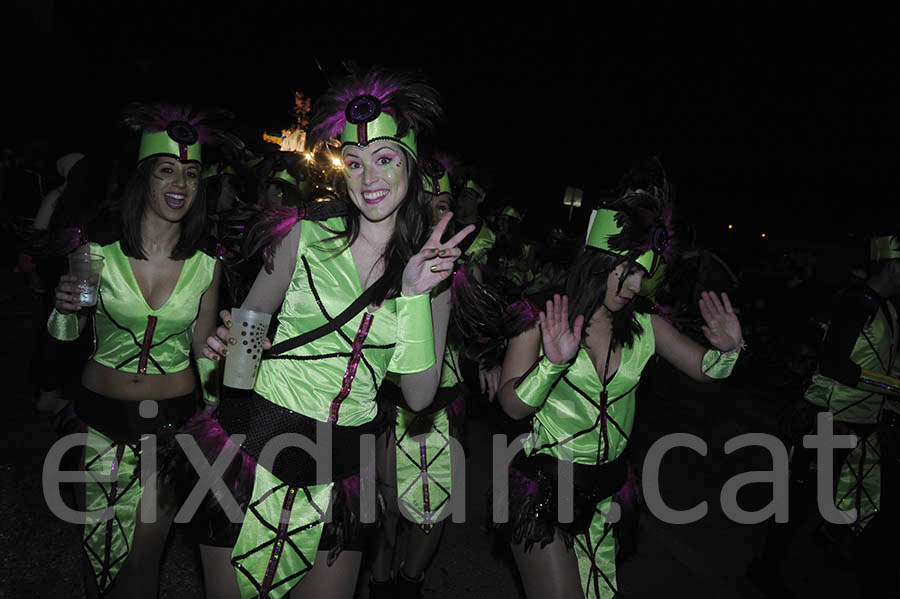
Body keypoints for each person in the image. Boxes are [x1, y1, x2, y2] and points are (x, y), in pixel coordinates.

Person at [197, 69, 475, 599]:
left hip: (343, 470)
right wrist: (225, 351)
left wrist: (414, 293)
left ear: (413, 168)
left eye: (385, 158)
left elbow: (418, 395)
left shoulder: (433, 272)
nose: (368, 177)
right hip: (256, 446)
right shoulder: (303, 231)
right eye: (354, 162)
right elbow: (250, 322)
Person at [496, 190, 744, 599]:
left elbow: (704, 369)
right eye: (627, 270)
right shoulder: (542, 314)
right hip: (545, 489)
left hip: (605, 497)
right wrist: (551, 366)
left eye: (643, 274)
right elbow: (509, 405)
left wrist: (729, 350)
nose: (635, 285)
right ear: (597, 260)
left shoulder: (645, 325)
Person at [48, 104, 222, 598]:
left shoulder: (208, 267)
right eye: (167, 169)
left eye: (190, 173)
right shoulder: (94, 254)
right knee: (99, 551)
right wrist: (61, 307)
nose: (180, 183)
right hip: (99, 417)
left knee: (144, 559)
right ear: (145, 178)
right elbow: (65, 335)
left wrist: (219, 386)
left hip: (170, 424)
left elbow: (203, 352)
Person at [749, 233, 900, 599]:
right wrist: (892, 387)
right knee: (799, 499)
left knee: (858, 497)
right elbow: (835, 364)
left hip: (861, 422)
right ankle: (766, 568)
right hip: (829, 418)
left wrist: (889, 400)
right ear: (894, 266)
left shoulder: (887, 309)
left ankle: (830, 542)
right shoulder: (857, 302)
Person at [368, 153, 488, 598]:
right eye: (430, 197)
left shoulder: (466, 260)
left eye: (447, 199)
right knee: (386, 503)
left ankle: (408, 583)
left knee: (433, 504)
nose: (441, 205)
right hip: (388, 397)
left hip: (443, 398)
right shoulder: (383, 255)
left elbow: (483, 329)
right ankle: (381, 583)